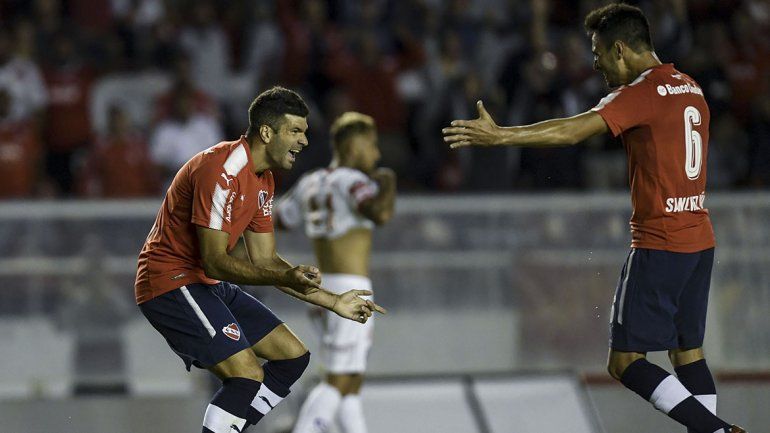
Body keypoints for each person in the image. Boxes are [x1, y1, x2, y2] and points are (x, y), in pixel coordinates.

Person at [443, 4, 745, 433]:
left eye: (599, 52)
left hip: (661, 242)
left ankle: (717, 431)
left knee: (624, 362)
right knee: (687, 353)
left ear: (621, 49)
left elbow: (573, 131)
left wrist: (501, 136)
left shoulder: (642, 92)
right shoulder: (690, 86)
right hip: (699, 238)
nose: (595, 62)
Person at [134, 86, 386, 433]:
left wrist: (333, 301)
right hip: (170, 281)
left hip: (205, 283)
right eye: (296, 131)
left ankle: (228, 427)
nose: (304, 141)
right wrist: (285, 277)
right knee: (247, 375)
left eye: (305, 132)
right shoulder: (221, 170)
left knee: (292, 357)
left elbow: (266, 260)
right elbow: (214, 261)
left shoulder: (263, 180)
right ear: (267, 132)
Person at [274, 112, 396, 433]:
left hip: (320, 288)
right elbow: (379, 213)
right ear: (354, 147)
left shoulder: (310, 182)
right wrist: (389, 181)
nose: (377, 154)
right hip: (350, 288)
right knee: (338, 380)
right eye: (372, 145)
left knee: (352, 380)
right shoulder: (353, 181)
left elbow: (276, 221)